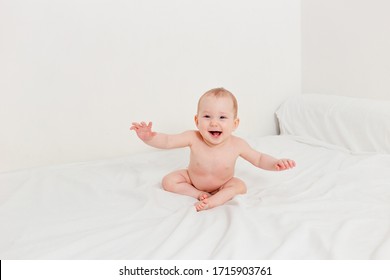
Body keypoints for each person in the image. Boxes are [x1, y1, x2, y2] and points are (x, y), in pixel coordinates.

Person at [130, 88, 296, 211]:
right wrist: (149, 137)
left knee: (240, 185)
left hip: (223, 184)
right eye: (207, 116)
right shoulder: (193, 137)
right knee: (168, 180)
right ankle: (197, 194)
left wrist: (275, 163)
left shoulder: (237, 144)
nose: (214, 123)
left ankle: (216, 200)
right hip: (193, 180)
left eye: (222, 117)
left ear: (234, 124)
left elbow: (259, 159)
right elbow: (167, 141)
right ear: (197, 120)